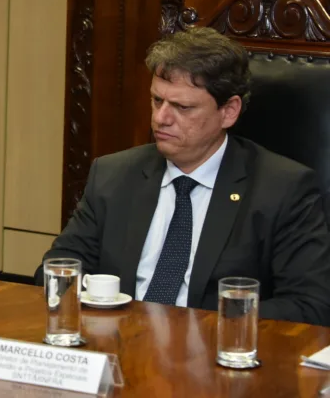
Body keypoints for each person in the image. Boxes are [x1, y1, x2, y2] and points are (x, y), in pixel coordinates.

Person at [37, 27, 330, 326]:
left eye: (182, 107)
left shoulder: (282, 190)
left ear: (229, 111)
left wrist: (198, 328)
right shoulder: (113, 175)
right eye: (157, 100)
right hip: (117, 346)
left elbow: (309, 306)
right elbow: (56, 271)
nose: (161, 118)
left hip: (215, 358)